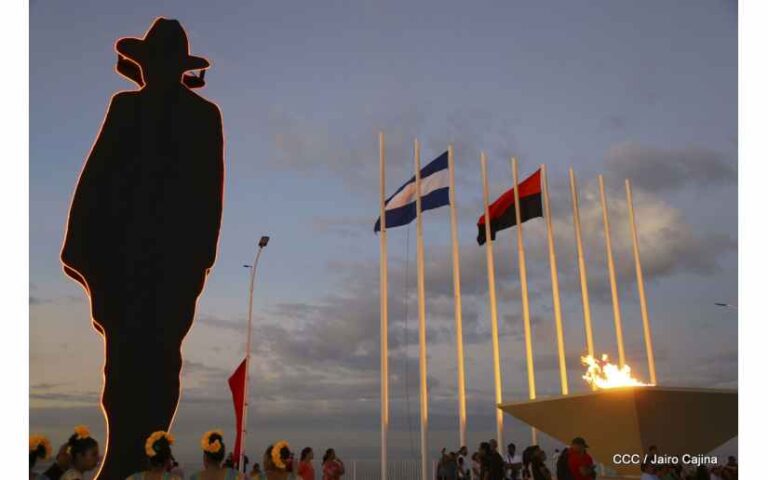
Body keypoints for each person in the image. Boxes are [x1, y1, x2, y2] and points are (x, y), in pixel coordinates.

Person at [60, 17, 225, 479]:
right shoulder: (126, 108)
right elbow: (96, 181)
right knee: (123, 363)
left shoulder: (203, 115)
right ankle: (124, 455)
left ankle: (148, 452)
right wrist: (86, 254)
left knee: (161, 362)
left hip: (172, 265)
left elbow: (208, 194)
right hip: (123, 262)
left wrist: (198, 261)